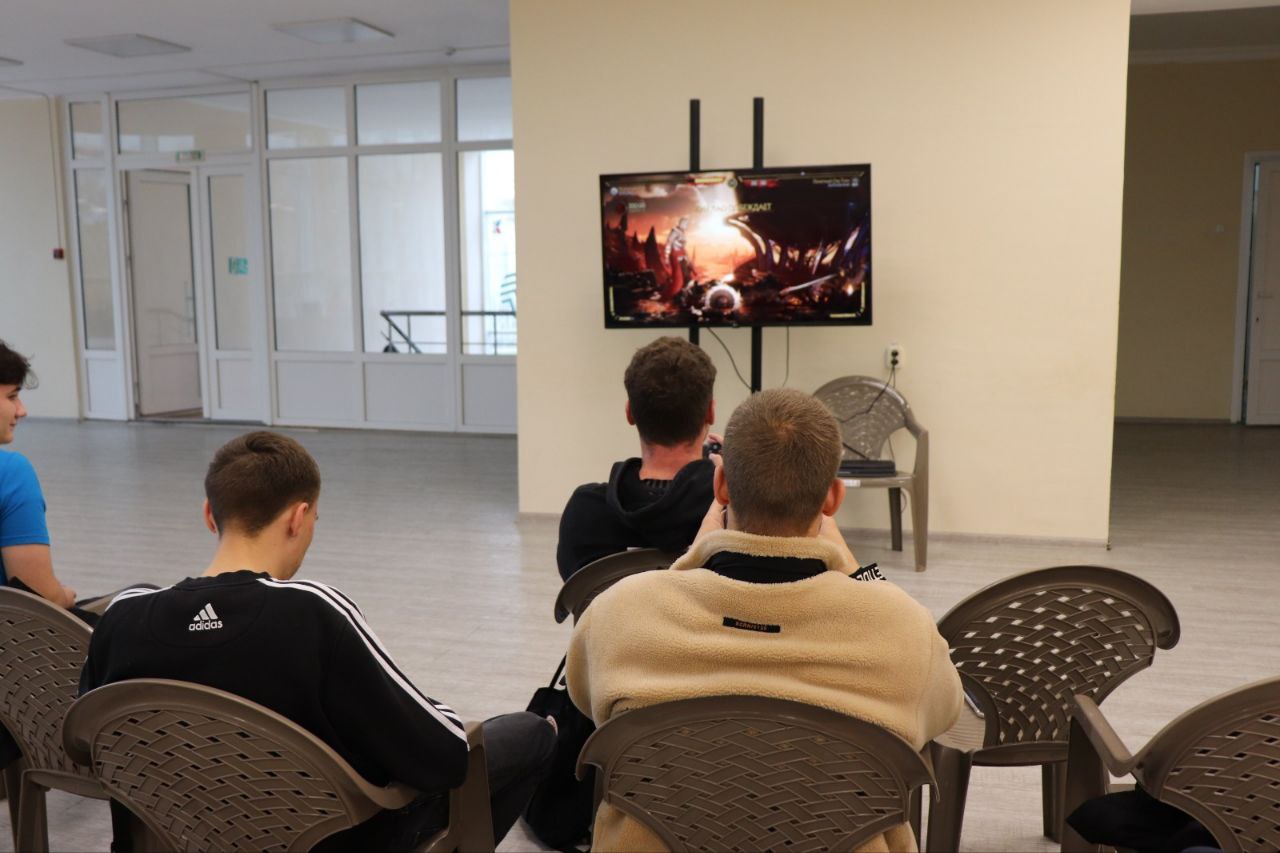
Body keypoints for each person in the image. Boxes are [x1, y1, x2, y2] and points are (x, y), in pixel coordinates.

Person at [80, 431, 555, 851]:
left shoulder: (122, 619)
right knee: (528, 734)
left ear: (209, 514)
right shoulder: (312, 612)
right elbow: (442, 757)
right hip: (320, 839)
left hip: (169, 835)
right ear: (299, 517)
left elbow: (88, 751)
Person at [567, 388, 963, 852]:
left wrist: (691, 560)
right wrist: (858, 573)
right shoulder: (904, 630)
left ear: (720, 486)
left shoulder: (619, 612)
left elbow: (584, 698)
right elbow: (947, 709)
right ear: (833, 498)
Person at [556, 335, 717, 580]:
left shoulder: (586, 512)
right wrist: (736, 478)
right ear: (710, 413)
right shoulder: (735, 514)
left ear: (629, 412)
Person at [0, 340, 77, 608]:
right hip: (12, 633)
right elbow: (38, 597)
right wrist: (64, 596)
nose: (21, 410)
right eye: (12, 396)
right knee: (141, 595)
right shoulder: (10, 472)